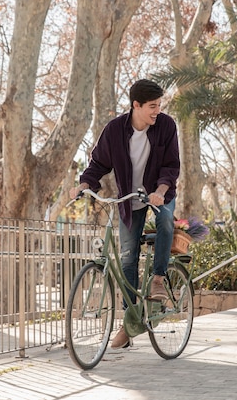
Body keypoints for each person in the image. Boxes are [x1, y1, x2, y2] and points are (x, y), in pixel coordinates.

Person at [69, 79, 180, 349]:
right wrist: (84, 185)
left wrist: (161, 191)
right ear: (136, 105)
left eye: (159, 105)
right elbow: (98, 163)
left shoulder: (166, 126)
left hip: (158, 194)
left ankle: (158, 279)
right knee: (128, 259)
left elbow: (171, 166)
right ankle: (129, 325)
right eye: (152, 106)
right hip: (129, 200)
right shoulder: (115, 130)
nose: (157, 111)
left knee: (165, 219)